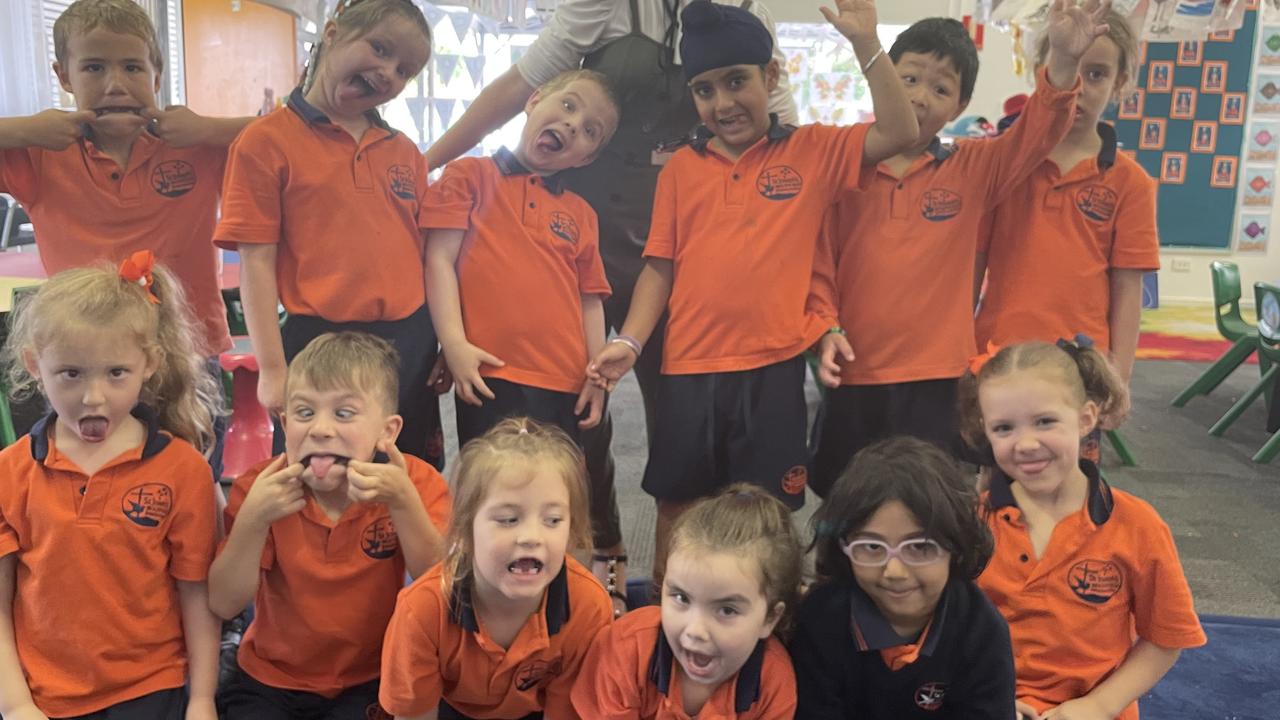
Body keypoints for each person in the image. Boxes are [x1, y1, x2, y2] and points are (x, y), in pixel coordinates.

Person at [423, 0, 799, 612]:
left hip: (679, 246)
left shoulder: (747, 13)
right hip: (585, 227)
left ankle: (690, 582)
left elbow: (781, 127)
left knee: (674, 424)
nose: (571, 122)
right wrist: (429, 160)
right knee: (559, 440)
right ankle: (584, 572)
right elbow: (520, 85)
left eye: (585, 122)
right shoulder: (596, 6)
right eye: (566, 111)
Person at [588, 0, 918, 563]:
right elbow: (659, 267)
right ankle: (670, 622)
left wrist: (866, 43)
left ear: (771, 76)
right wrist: (630, 340)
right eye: (704, 90)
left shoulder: (813, 150)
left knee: (766, 509)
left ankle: (771, 620)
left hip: (772, 369)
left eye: (736, 81)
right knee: (677, 504)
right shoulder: (682, 170)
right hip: (689, 370)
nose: (722, 103)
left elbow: (900, 128)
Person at [808, 0, 1107, 496]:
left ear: (960, 108)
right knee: (846, 497)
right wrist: (824, 326)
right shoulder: (843, 167)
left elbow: (1039, 130)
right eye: (907, 79)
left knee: (932, 500)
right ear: (880, 80)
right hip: (855, 372)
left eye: (940, 88)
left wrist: (1064, 62)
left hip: (937, 377)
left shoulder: (973, 167)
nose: (921, 97)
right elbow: (818, 263)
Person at [0, 0, 252, 480]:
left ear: (156, 74)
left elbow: (297, 134)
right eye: (94, 67)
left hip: (186, 353)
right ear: (65, 76)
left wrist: (210, 129)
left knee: (194, 482)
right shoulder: (39, 154)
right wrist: (25, 128)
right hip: (85, 363)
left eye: (132, 66)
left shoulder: (196, 147)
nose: (115, 83)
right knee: (97, 485)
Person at [214, 0, 445, 468]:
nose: (388, 73)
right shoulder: (264, 142)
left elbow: (429, 259)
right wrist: (274, 367)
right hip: (319, 342)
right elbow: (256, 264)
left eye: (404, 71)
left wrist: (442, 341)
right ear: (334, 32)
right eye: (380, 49)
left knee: (408, 470)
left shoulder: (404, 152)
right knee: (321, 474)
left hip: (410, 340)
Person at [0, 253, 222, 719]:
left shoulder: (182, 470)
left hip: (150, 688)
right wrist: (16, 702)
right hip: (43, 697)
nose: (93, 396)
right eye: (71, 374)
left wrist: (202, 699)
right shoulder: (10, 472)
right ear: (35, 365)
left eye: (116, 373)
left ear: (150, 364)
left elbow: (196, 594)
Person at [208, 332, 451, 719]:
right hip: (270, 678)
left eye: (343, 413)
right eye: (305, 413)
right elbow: (223, 602)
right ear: (285, 424)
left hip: (369, 678)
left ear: (387, 431)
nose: (320, 429)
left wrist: (403, 504)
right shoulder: (261, 488)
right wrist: (254, 519)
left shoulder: (414, 484)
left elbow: (442, 588)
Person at [960, 340, 1206, 720]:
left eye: (1045, 421)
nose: (1026, 443)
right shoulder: (969, 523)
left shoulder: (1137, 525)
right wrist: (983, 700)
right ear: (986, 434)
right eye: (1004, 428)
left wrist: (1099, 705)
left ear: (1086, 418)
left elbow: (1166, 638)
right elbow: (942, 631)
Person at [975, 10, 1156, 464]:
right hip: (999, 354)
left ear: (1119, 84)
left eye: (1096, 74)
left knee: (1071, 490)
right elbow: (972, 262)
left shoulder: (1131, 183)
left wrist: (1121, 378)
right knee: (994, 488)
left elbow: (1127, 286)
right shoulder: (1004, 165)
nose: (1080, 87)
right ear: (1044, 76)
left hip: (1079, 367)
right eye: (1069, 70)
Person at [424, 69, 619, 451]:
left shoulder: (582, 214)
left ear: (586, 158)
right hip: (488, 372)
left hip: (564, 380)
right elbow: (438, 262)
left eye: (590, 130)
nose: (573, 123)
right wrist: (454, 343)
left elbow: (589, 299)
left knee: (557, 493)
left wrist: (595, 373)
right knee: (490, 489)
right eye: (568, 105)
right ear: (533, 101)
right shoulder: (467, 175)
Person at [378, 418, 612, 720]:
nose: (531, 537)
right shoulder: (421, 609)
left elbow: (567, 710)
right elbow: (415, 714)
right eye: (507, 519)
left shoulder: (589, 607)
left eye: (553, 520)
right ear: (464, 532)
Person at [790, 436, 1016, 718]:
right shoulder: (820, 621)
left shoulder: (981, 629)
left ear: (956, 547)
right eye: (872, 547)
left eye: (920, 547)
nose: (894, 571)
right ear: (843, 546)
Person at [571, 484, 801, 718]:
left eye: (727, 610)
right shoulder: (625, 649)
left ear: (770, 618)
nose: (695, 630)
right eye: (682, 598)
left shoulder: (773, 684)